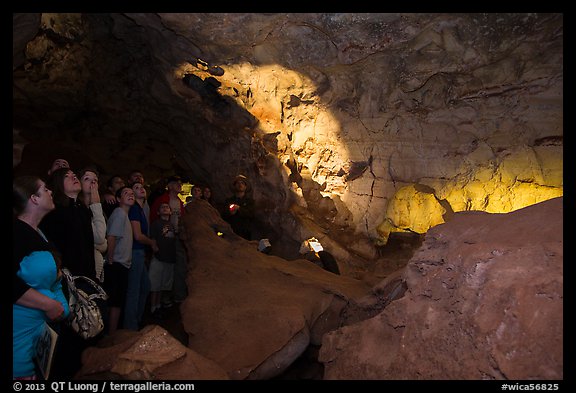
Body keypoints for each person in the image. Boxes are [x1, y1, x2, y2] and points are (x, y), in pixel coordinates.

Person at [13, 175, 65, 322]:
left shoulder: (40, 232)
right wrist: (47, 304)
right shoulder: (17, 231)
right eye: (46, 189)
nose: (51, 192)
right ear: (34, 198)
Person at [13, 250, 69, 380]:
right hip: (21, 368)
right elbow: (63, 312)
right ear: (48, 276)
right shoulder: (44, 298)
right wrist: (56, 285)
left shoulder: (20, 295)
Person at [124, 182, 157, 330]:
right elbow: (137, 235)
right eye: (136, 188)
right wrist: (151, 243)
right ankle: (131, 327)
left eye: (142, 187)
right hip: (135, 251)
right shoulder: (135, 210)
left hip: (139, 252)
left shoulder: (141, 209)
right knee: (135, 290)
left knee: (144, 286)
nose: (141, 189)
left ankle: (136, 319)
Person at [149, 176, 187, 303]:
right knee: (163, 266)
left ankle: (176, 295)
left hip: (177, 236)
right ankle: (159, 300)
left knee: (178, 266)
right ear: (169, 186)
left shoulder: (180, 202)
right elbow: (154, 218)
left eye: (180, 183)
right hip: (164, 237)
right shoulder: (162, 201)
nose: (179, 185)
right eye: (176, 183)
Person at [104, 186, 135, 335]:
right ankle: (111, 335)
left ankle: (111, 333)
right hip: (116, 264)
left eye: (131, 193)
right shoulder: (119, 213)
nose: (130, 194)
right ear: (118, 199)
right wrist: (110, 260)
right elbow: (111, 237)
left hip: (119, 263)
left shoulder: (124, 215)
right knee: (115, 302)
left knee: (116, 300)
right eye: (125, 193)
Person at [78, 166, 107, 283]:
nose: (93, 182)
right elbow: (100, 238)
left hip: (96, 268)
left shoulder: (99, 208)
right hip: (84, 268)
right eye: (87, 179)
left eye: (95, 179)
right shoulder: (79, 208)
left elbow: (103, 244)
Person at [148, 202, 177, 319]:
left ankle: (158, 305)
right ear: (158, 212)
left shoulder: (171, 225)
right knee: (155, 285)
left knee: (162, 285)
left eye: (167, 207)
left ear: (170, 212)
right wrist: (155, 249)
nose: (165, 208)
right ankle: (153, 307)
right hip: (159, 257)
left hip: (169, 258)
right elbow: (153, 238)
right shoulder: (156, 224)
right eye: (162, 207)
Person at [222, 174, 255, 240]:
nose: (240, 185)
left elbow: (251, 214)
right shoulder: (229, 201)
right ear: (234, 186)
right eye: (238, 183)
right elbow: (223, 215)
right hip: (232, 232)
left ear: (245, 187)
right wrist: (230, 213)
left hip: (245, 233)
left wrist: (239, 209)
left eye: (242, 183)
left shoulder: (250, 202)